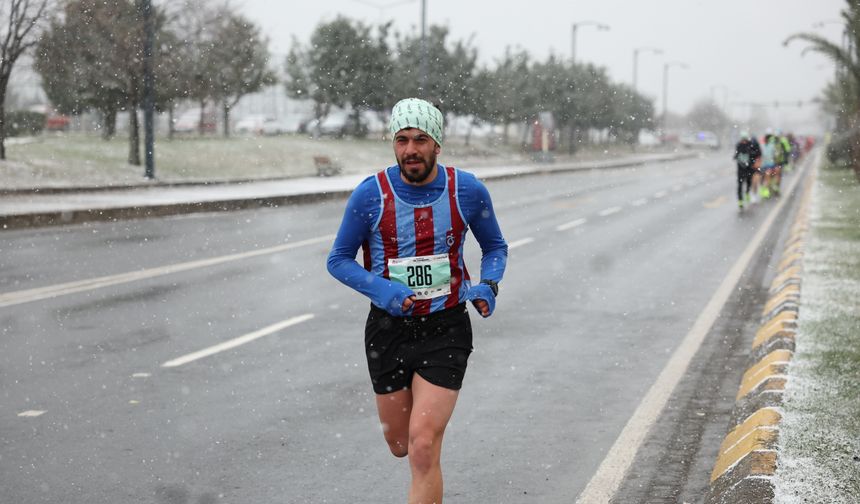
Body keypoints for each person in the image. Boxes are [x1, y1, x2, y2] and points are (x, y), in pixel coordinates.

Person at [326, 98, 508, 503]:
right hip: (388, 331)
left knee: (423, 444)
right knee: (400, 444)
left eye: (421, 140)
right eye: (402, 139)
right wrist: (383, 289)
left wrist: (487, 284)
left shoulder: (467, 190)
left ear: (437, 144)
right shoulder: (370, 195)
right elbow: (338, 260)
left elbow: (495, 246)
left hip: (446, 328)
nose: (410, 149)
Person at [733, 131, 759, 209]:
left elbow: (755, 154)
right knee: (740, 185)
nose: (744, 141)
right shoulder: (738, 145)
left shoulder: (750, 145)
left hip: (749, 169)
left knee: (749, 182)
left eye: (745, 139)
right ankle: (740, 200)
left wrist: (753, 160)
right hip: (741, 169)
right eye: (742, 139)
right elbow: (736, 155)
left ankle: (747, 193)